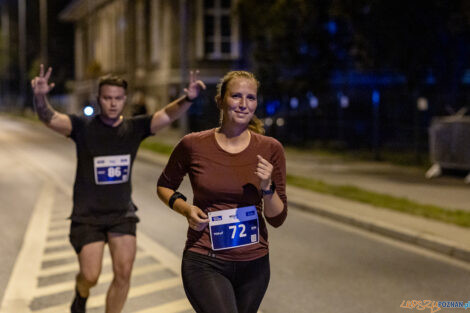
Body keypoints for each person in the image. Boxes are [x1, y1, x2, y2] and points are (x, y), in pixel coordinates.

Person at [30, 64, 206, 313]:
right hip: (87, 216)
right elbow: (50, 118)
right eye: (107, 98)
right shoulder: (82, 128)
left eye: (118, 98)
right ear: (99, 99)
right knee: (90, 276)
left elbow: (166, 115)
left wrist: (187, 98)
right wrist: (39, 96)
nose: (112, 103)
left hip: (121, 215)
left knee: (123, 274)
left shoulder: (133, 128)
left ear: (125, 99)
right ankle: (80, 295)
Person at [156, 70, 287, 313]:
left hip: (254, 264)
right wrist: (186, 209)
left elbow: (278, 218)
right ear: (220, 101)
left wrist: (267, 188)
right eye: (236, 96)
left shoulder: (271, 149)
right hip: (205, 260)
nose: (243, 104)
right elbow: (164, 185)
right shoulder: (193, 144)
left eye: (251, 98)